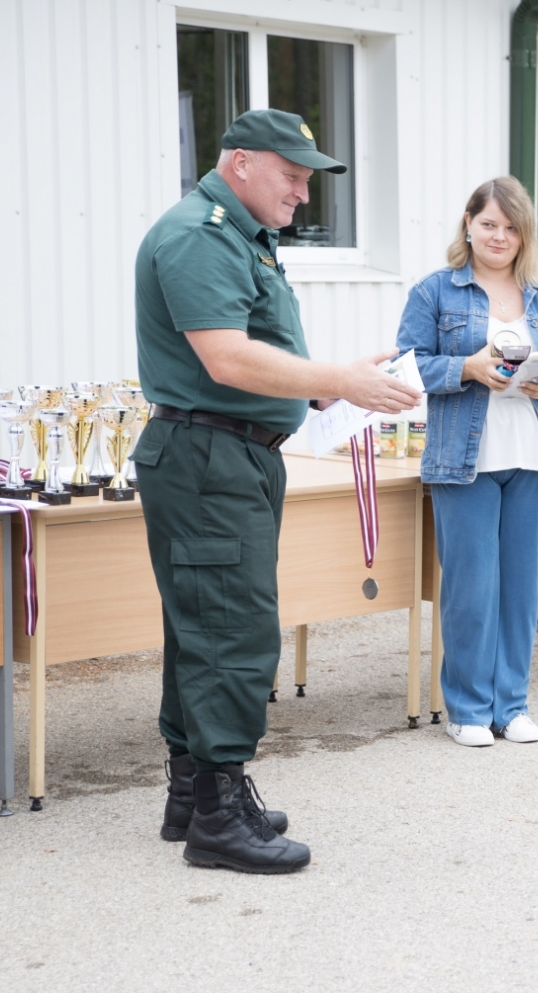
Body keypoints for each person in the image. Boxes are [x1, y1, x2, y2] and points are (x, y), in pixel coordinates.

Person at [133, 109, 420, 873]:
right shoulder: (200, 235)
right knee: (233, 631)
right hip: (208, 460)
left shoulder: (238, 234)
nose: (302, 192)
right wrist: (334, 377)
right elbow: (226, 359)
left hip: (228, 454)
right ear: (240, 163)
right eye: (291, 174)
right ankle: (221, 818)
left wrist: (331, 391)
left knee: (206, 625)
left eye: (306, 177)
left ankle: (193, 794)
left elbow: (253, 359)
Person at [397, 178, 538, 747]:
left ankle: (512, 706)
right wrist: (466, 368)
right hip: (464, 459)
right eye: (488, 224)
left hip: (534, 455)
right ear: (468, 224)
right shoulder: (435, 291)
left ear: (524, 233)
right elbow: (408, 366)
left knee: (519, 588)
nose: (499, 236)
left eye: (510, 227)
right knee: (471, 586)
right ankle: (467, 709)